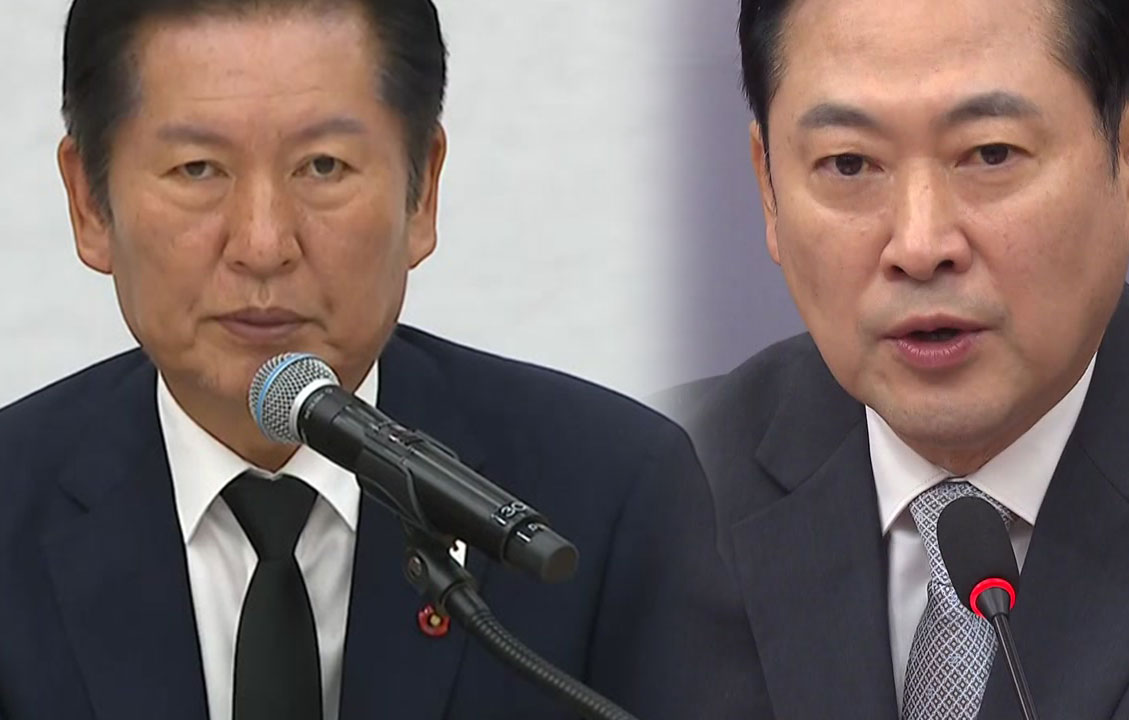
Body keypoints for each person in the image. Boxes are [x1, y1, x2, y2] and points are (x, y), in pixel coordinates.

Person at [0, 1, 719, 718]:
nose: (263, 244)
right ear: (89, 203)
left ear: (422, 192)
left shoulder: (612, 495)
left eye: (323, 166)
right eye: (197, 169)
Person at [676, 0, 1129, 718]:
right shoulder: (659, 498)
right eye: (849, 163)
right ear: (770, 190)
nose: (920, 246)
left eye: (991, 154)